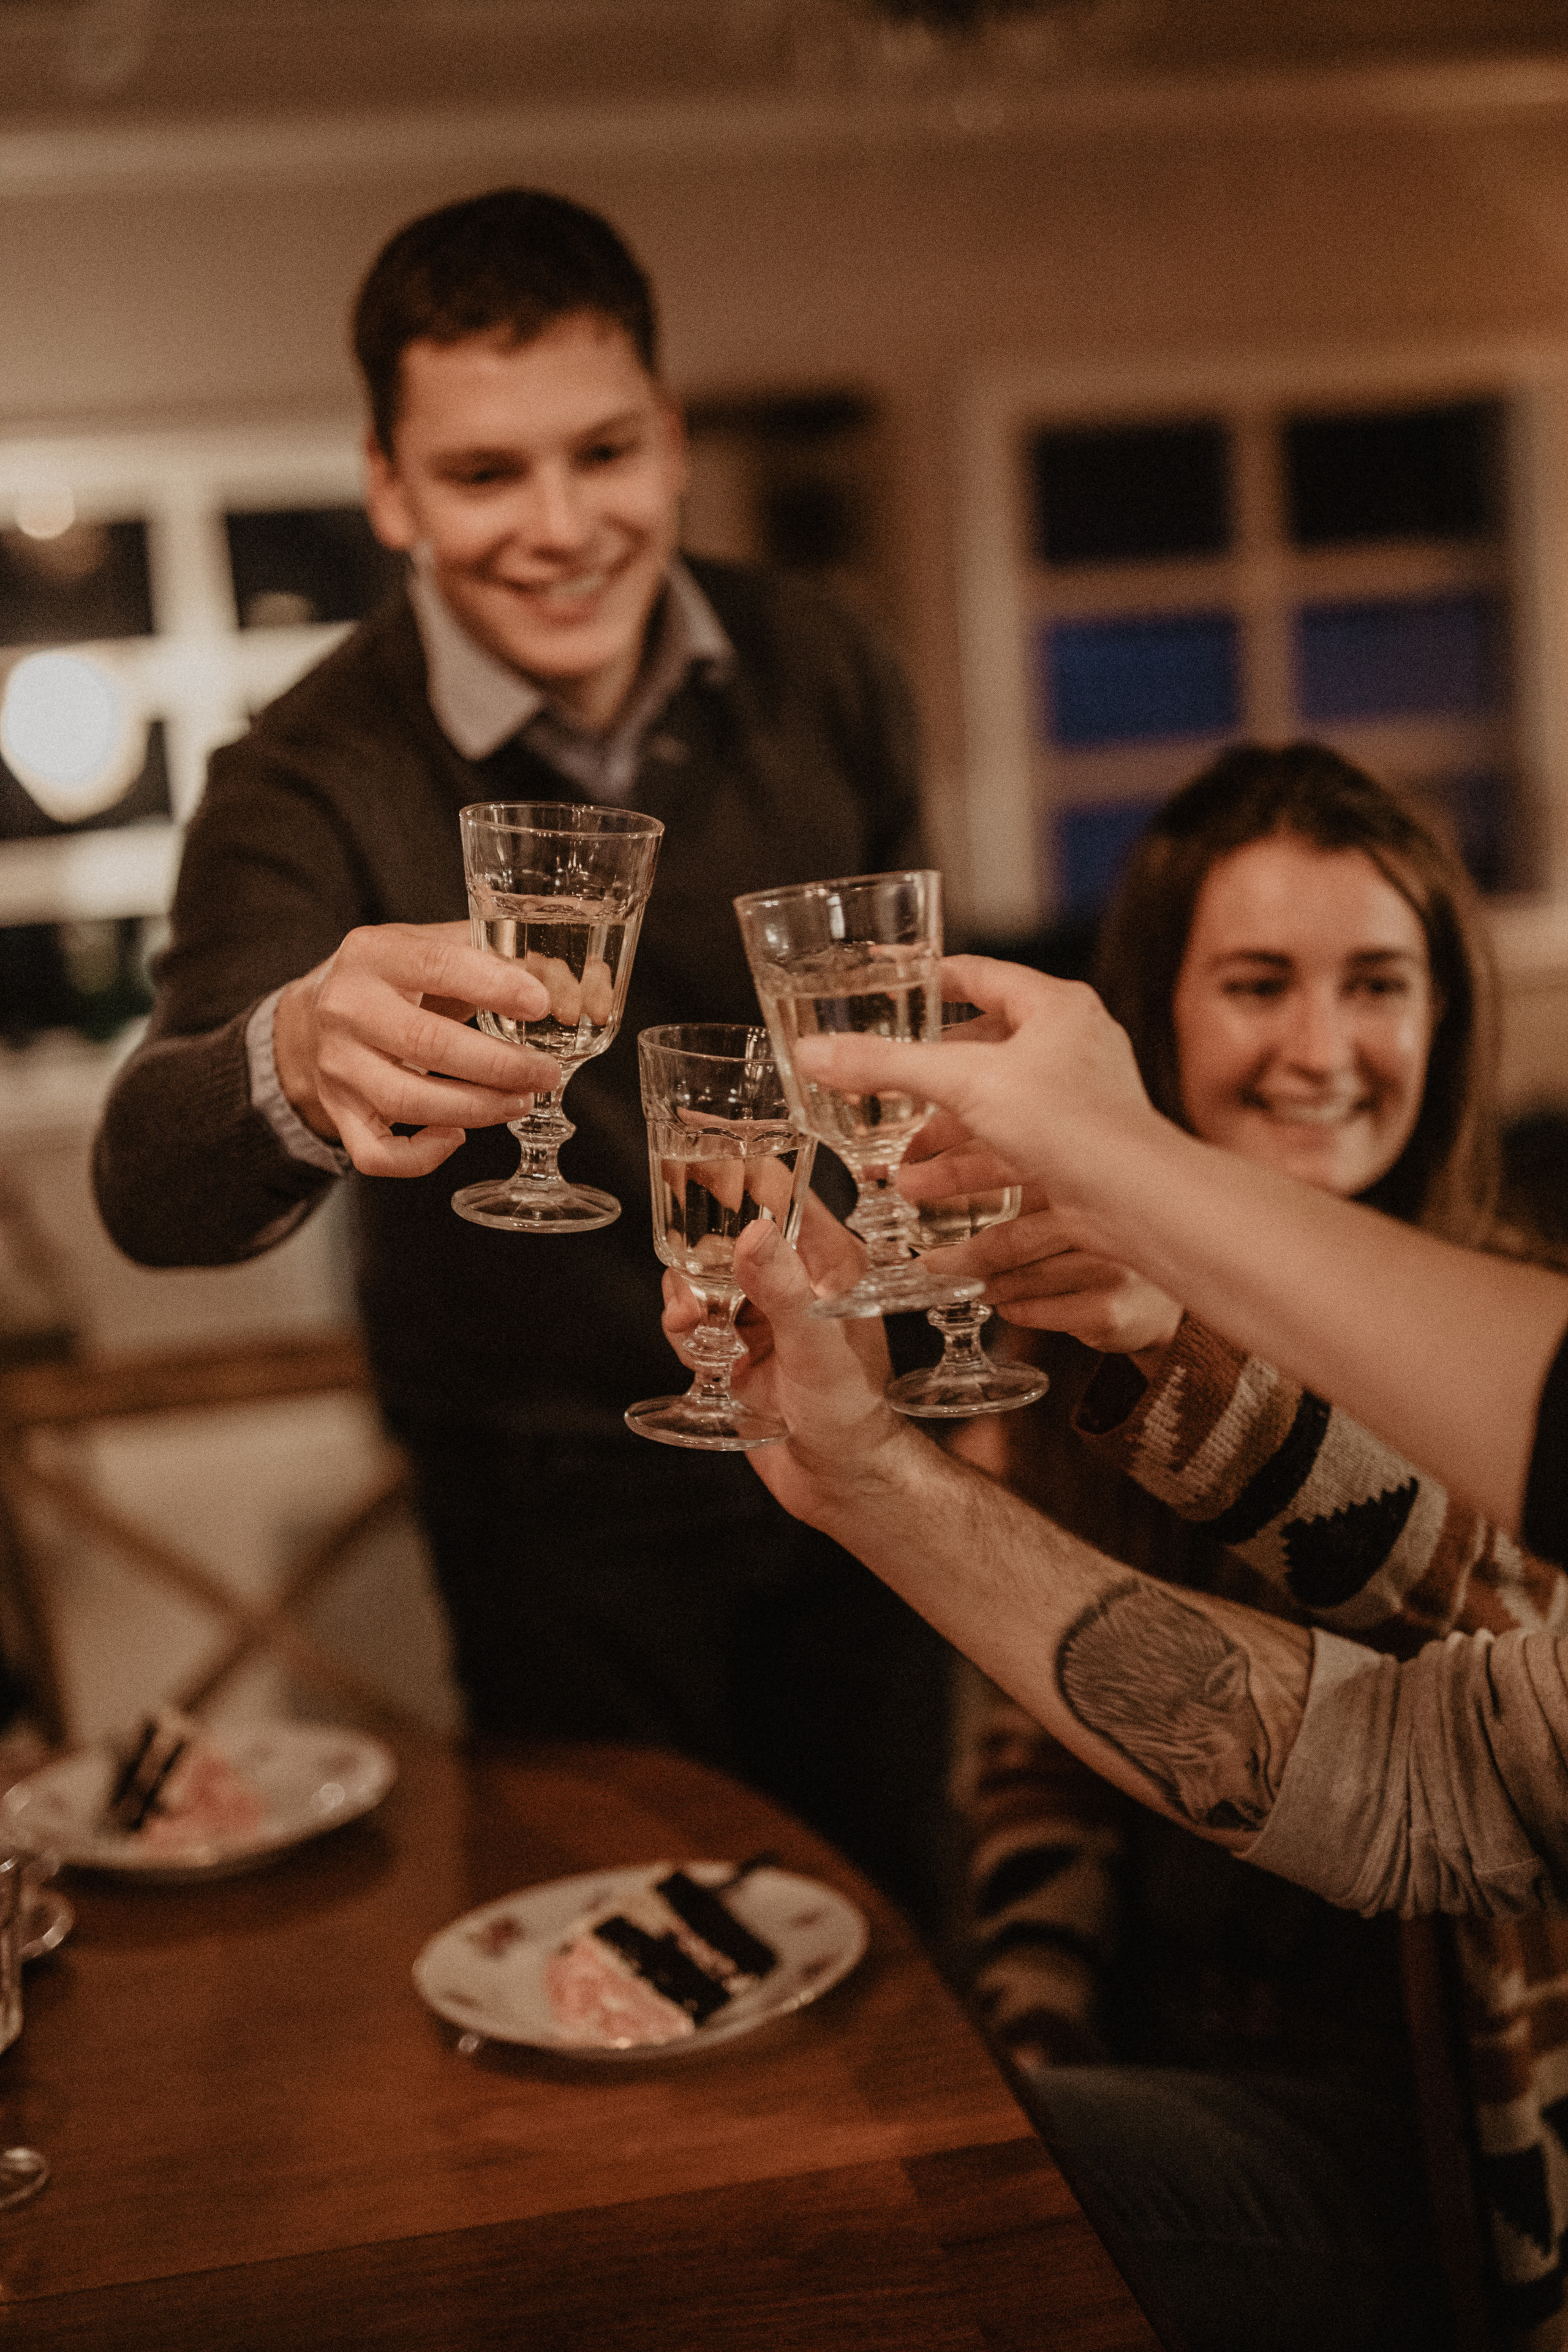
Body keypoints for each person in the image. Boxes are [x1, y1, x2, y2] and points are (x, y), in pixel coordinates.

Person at [90, 187, 953, 1927]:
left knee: (896, 1935)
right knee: (632, 1949)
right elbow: (145, 1178)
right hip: (551, 1497)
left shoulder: (826, 666)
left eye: (604, 452)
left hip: (866, 1440)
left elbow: (888, 1055)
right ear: (389, 488)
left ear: (673, 439)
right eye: (485, 475)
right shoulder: (304, 775)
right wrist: (294, 1050)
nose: (561, 527)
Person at [936, 747, 1568, 2347]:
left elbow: (1493, 1706)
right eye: (1259, 985)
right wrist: (1043, 2055)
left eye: (1376, 984)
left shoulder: (1501, 1351)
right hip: (1173, 2056)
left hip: (1449, 2117)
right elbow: (1039, 1792)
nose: (1321, 1049)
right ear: (1155, 1025)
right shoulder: (1065, 1357)